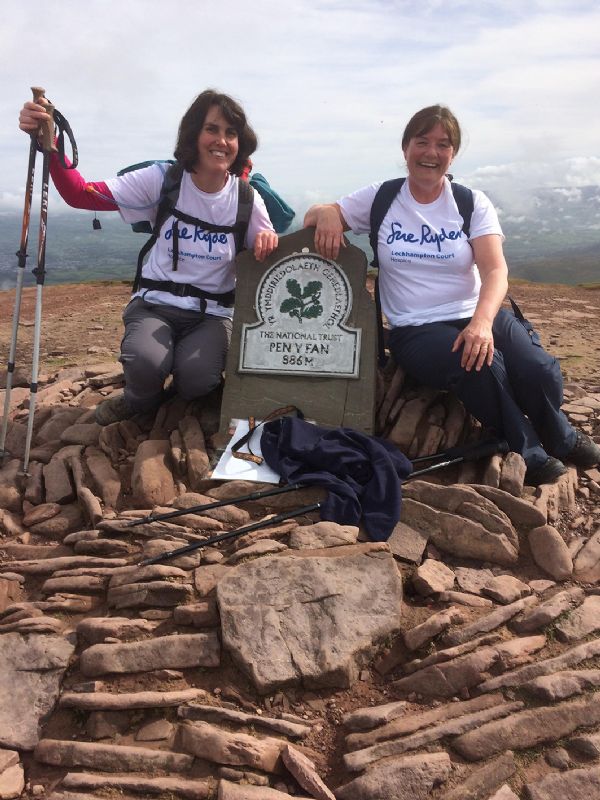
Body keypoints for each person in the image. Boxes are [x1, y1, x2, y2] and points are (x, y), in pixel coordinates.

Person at [304, 105, 600, 485]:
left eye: (443, 144)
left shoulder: (469, 201)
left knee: (536, 368)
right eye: (422, 141)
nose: (431, 152)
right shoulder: (382, 197)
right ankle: (528, 449)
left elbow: (495, 270)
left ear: (453, 153)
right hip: (415, 327)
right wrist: (327, 212)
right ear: (406, 148)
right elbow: (321, 212)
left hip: (476, 313)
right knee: (480, 365)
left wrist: (481, 323)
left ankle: (560, 433)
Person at [19, 90, 278, 425]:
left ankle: (187, 392)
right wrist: (51, 143)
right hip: (156, 305)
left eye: (231, 133)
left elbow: (269, 260)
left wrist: (268, 242)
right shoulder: (164, 179)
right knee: (145, 364)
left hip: (212, 315)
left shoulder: (247, 199)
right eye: (212, 129)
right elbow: (80, 194)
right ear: (194, 134)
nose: (222, 140)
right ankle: (141, 400)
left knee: (198, 378)